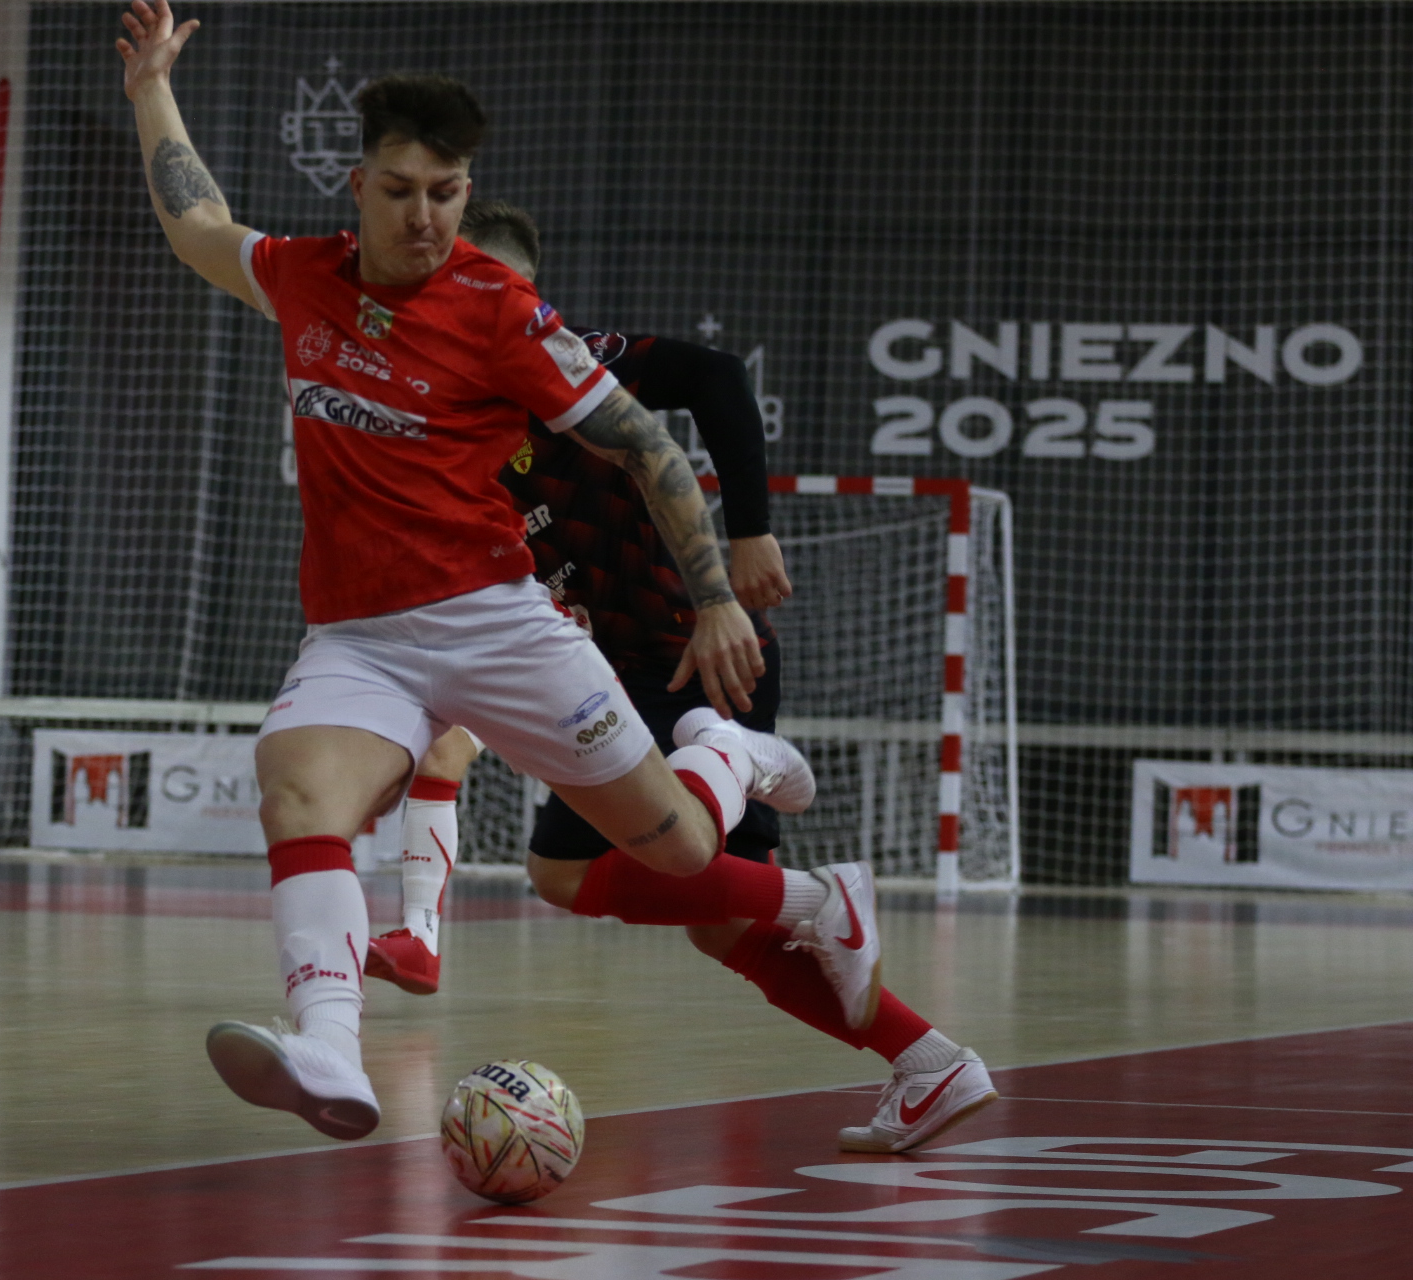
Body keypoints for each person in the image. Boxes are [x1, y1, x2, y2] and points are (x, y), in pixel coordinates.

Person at [118, 0, 876, 1146]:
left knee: (676, 850)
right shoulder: (305, 277)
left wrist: (717, 595)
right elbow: (197, 223)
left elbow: (648, 444)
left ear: (466, 190)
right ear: (358, 187)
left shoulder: (499, 309)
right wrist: (150, 90)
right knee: (297, 791)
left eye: (446, 191)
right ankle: (329, 1045)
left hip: (496, 621)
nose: (424, 215)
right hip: (360, 635)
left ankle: (734, 759)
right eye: (400, 190)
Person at [364, 202, 998, 1154]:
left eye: (480, 282)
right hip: (614, 677)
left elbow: (715, 374)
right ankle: (929, 1061)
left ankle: (784, 837)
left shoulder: (568, 358)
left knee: (572, 874)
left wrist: (749, 533)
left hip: (688, 653)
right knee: (716, 919)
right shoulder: (449, 411)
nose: (459, 300)